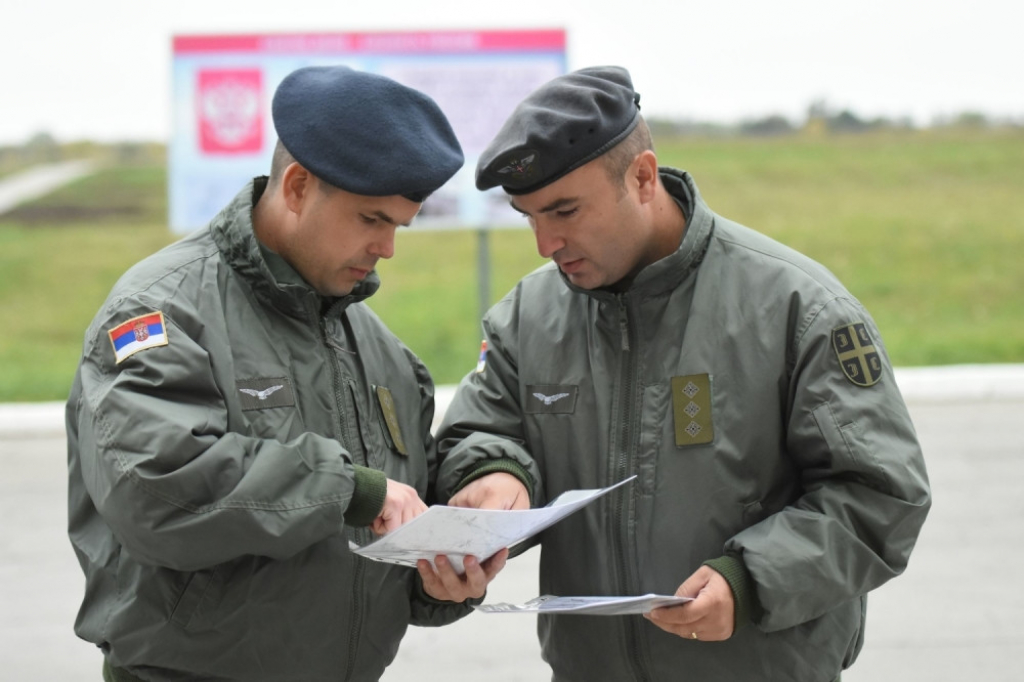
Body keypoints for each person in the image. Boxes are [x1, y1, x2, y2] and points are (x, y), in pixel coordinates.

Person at [435, 66, 932, 681]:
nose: (545, 242)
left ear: (643, 178)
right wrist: (494, 474)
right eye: (528, 216)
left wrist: (749, 581)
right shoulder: (527, 318)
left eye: (565, 211)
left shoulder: (797, 309)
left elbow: (881, 494)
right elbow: (478, 434)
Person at [67, 65, 510, 682]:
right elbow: (156, 490)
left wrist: (446, 575)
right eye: (371, 219)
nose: (387, 248)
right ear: (298, 186)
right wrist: (351, 490)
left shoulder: (383, 353)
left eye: (398, 226)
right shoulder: (161, 312)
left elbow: (396, 521)